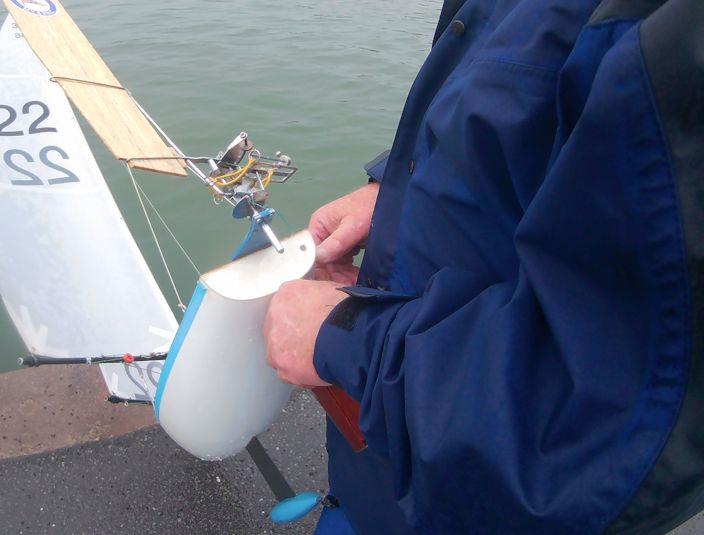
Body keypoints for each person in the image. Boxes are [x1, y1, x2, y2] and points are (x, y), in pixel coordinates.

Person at [263, 0, 704, 533]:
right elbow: (504, 107)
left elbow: (602, 431)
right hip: (381, 476)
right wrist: (392, 188)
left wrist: (350, 338)